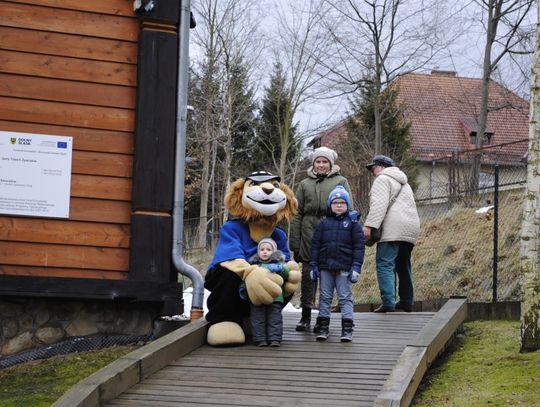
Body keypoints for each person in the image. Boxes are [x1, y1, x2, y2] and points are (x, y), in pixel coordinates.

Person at [289, 147, 352, 332]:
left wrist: (347, 237)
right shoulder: (304, 184)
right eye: (318, 161)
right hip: (308, 234)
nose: (321, 165)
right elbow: (297, 214)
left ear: (331, 164)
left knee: (328, 276)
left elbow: (348, 210)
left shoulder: (341, 181)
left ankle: (323, 317)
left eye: (325, 162)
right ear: (313, 163)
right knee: (309, 275)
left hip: (333, 234)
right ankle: (305, 315)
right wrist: (295, 243)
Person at [363, 155, 420, 313]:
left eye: (373, 168)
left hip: (392, 228)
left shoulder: (382, 179)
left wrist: (369, 226)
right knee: (403, 265)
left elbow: (378, 205)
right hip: (410, 228)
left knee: (385, 264)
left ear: (382, 166)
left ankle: (388, 301)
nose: (373, 172)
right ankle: (407, 301)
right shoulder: (404, 182)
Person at [309, 186, 365, 342]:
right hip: (325, 267)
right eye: (335, 202)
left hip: (344, 267)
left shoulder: (353, 224)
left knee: (345, 298)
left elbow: (359, 247)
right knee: (325, 297)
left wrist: (356, 267)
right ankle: (323, 327)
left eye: (342, 202)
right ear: (330, 205)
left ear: (347, 205)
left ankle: (347, 329)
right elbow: (315, 246)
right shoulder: (323, 224)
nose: (339, 205)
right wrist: (313, 265)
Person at [239, 238, 290, 347]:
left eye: (268, 249)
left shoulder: (279, 264)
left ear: (274, 251)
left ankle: (275, 338)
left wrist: (280, 269)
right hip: (257, 297)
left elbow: (286, 275)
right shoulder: (254, 265)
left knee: (274, 319)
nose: (265, 251)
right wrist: (243, 288)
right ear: (258, 252)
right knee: (258, 319)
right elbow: (247, 278)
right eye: (262, 249)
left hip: (275, 297)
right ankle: (259, 339)